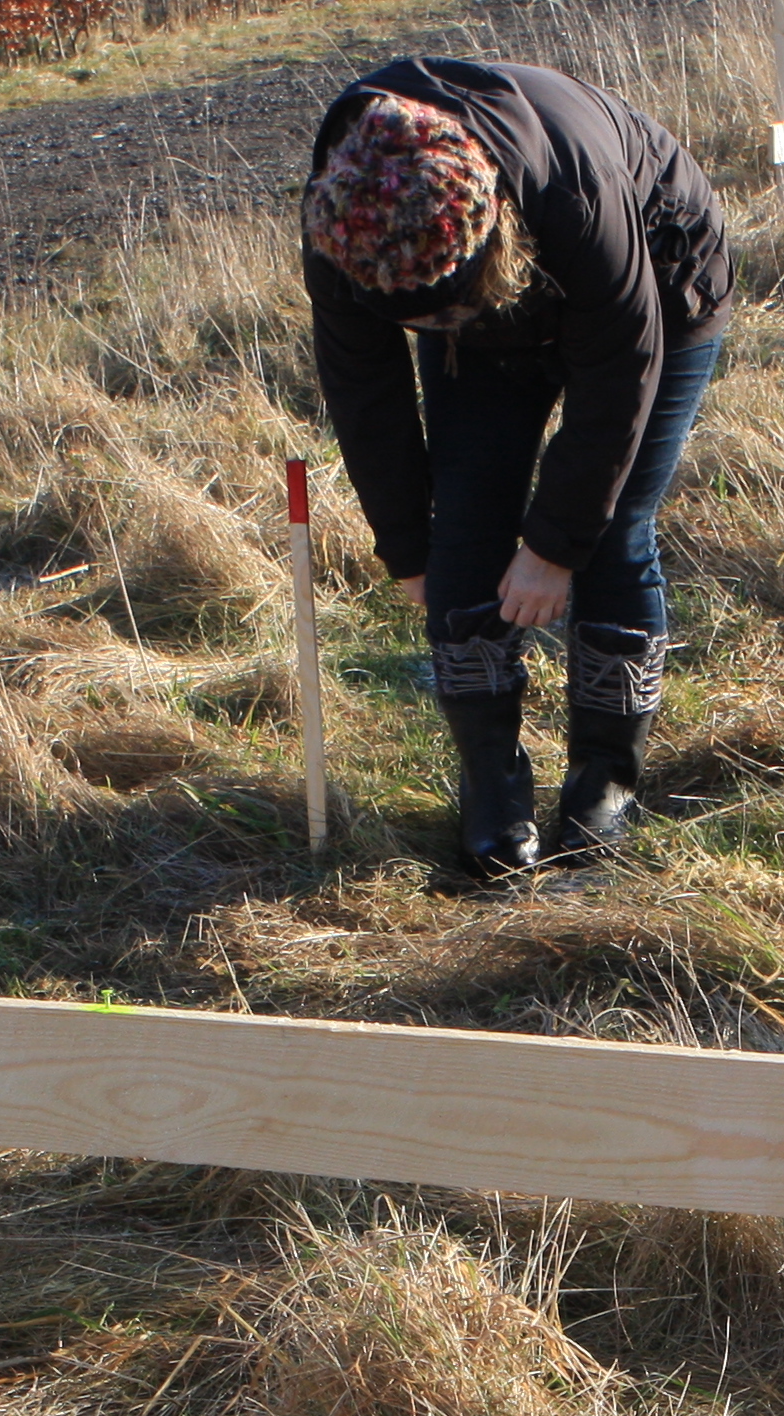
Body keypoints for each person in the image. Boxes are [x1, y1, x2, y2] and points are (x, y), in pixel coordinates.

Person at [301, 59, 731, 878]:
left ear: (487, 235)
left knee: (613, 532)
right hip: (491, 338)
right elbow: (366, 390)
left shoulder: (574, 191)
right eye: (417, 319)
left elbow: (618, 376)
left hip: (659, 292)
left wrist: (556, 545)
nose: (432, 325)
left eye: (444, 308)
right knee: (463, 528)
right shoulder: (347, 220)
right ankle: (494, 799)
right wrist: (409, 551)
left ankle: (603, 787)